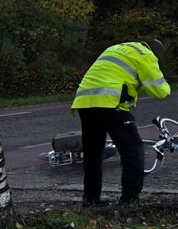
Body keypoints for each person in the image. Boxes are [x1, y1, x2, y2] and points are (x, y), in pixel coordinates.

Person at [71, 39, 171, 207]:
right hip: (110, 103)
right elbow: (160, 91)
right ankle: (129, 200)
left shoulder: (116, 48)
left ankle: (90, 200)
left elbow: (117, 77)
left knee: (93, 153)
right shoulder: (145, 55)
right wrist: (167, 86)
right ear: (156, 54)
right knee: (133, 150)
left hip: (84, 101)